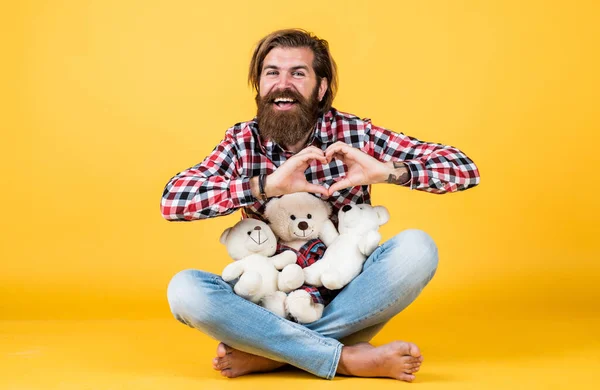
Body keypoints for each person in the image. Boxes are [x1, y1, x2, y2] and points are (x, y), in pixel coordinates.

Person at [162, 28, 480, 382]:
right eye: (272, 72)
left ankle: (274, 353)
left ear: (321, 87)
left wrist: (389, 171)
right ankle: (340, 357)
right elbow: (174, 200)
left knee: (418, 248)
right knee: (184, 290)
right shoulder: (241, 141)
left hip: (345, 296)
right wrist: (265, 185)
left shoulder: (354, 134)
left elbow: (463, 168)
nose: (283, 84)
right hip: (270, 301)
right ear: (259, 84)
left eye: (298, 73)